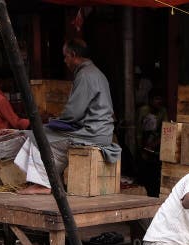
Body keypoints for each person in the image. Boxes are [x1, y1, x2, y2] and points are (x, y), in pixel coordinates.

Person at [13, 39, 120, 195]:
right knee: (49, 135)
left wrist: (53, 121)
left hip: (91, 133)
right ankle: (48, 180)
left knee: (38, 134)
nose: (65, 61)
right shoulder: (97, 73)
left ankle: (43, 183)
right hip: (100, 132)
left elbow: (73, 114)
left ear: (73, 55)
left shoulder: (85, 75)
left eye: (65, 57)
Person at [0, 66, 30, 134]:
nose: (11, 85)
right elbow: (16, 123)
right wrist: (35, 121)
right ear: (0, 81)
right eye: (10, 81)